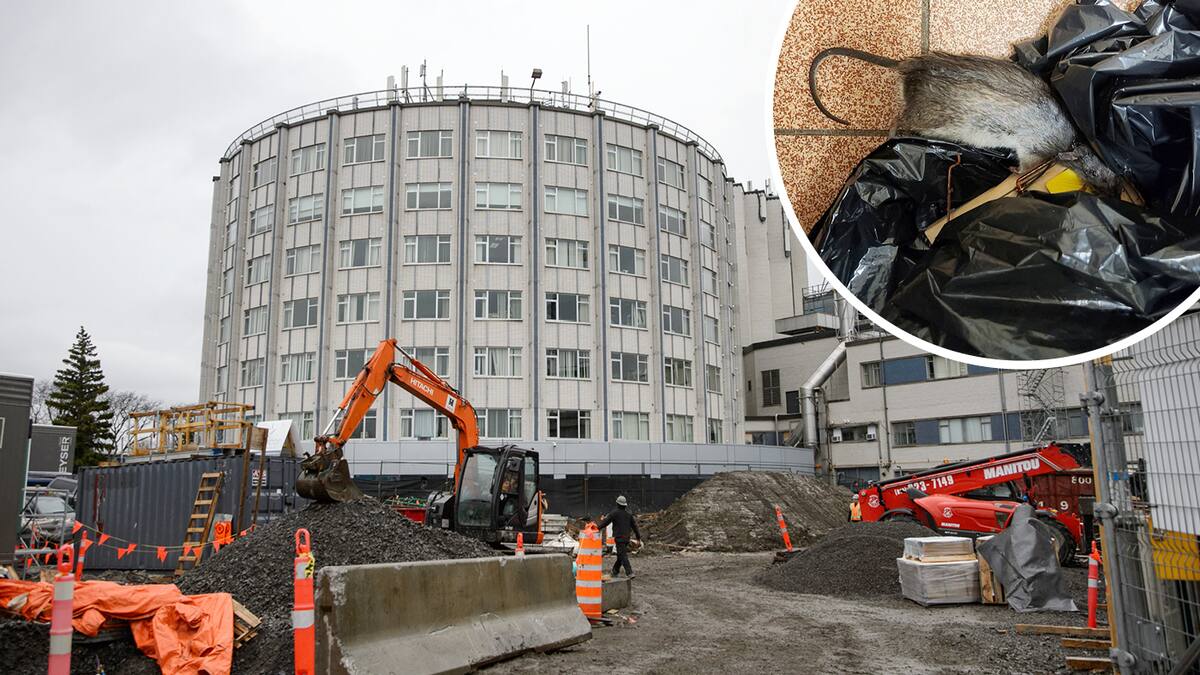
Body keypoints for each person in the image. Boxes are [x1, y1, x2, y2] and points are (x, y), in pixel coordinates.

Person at [597, 495, 642, 578]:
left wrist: (597, 528)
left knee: (623, 555)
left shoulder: (614, 513)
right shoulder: (629, 515)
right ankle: (615, 571)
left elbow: (605, 522)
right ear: (625, 505)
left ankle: (629, 572)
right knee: (621, 555)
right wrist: (638, 538)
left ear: (617, 504)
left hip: (619, 538)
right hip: (626, 538)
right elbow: (635, 526)